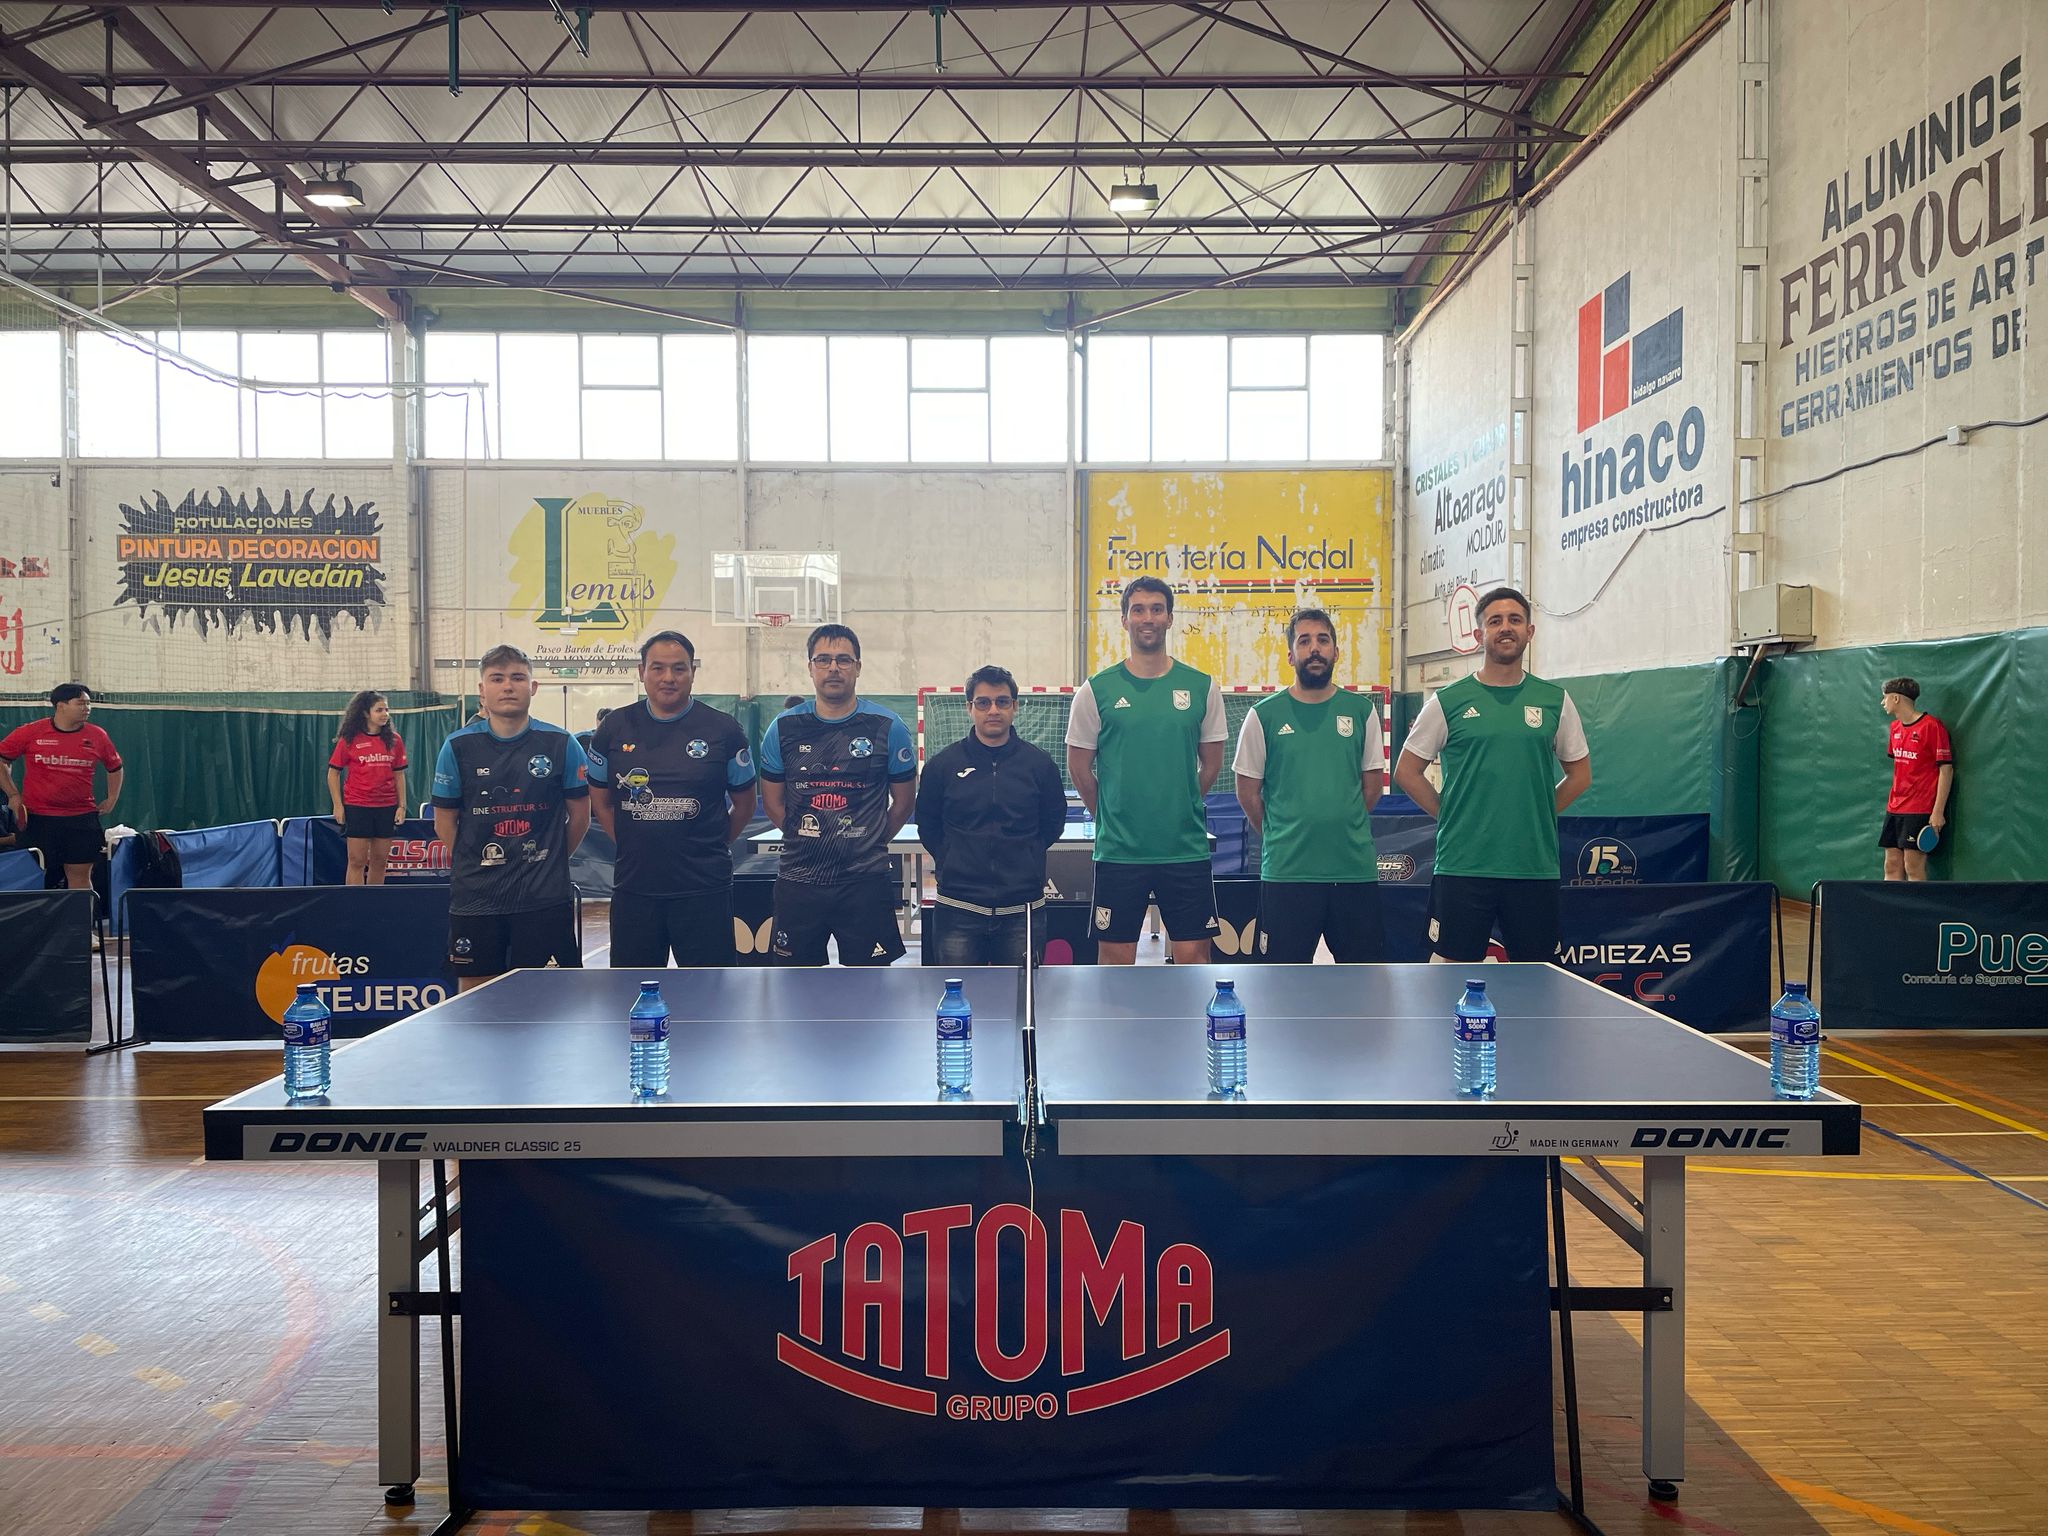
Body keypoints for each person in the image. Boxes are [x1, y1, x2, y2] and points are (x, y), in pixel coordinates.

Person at [1393, 586, 1590, 963]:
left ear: (1529, 631)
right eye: (1495, 621)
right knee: (1451, 973)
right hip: (1462, 866)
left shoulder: (1555, 700)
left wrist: (1537, 813)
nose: (1505, 627)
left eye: (1515, 619)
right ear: (1479, 634)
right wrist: (1450, 815)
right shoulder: (1448, 701)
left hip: (1533, 867)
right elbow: (1407, 771)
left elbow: (1580, 774)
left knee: (1536, 977)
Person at [1066, 576, 1227, 966]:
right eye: (1138, 610)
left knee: (1194, 958)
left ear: (1170, 618)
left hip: (1184, 849)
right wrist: (1110, 813)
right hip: (1120, 851)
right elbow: (1079, 767)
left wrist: (1181, 802)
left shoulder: (1202, 687)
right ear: (1124, 620)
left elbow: (1212, 763)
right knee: (1115, 960)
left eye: (1157, 609)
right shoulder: (1096, 690)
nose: (1148, 617)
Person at [587, 632, 756, 967]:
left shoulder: (724, 730)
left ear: (692, 672)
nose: (668, 677)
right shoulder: (612, 728)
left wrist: (712, 845)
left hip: (705, 890)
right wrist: (632, 843)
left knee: (711, 990)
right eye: (658, 668)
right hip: (635, 889)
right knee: (633, 989)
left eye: (679, 668)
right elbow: (601, 803)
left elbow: (746, 805)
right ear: (641, 672)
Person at [431, 645, 591, 991]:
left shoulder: (561, 743)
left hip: (543, 897)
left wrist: (551, 860)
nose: (507, 686)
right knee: (475, 995)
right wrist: (475, 862)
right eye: (497, 678)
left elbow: (580, 815)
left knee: (551, 998)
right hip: (476, 899)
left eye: (517, 678)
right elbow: (444, 821)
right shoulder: (456, 747)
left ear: (533, 687)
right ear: (482, 690)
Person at [758, 623, 917, 965]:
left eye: (843, 660)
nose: (833, 668)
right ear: (810, 667)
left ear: (857, 667)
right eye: (824, 659)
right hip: (799, 880)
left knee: (872, 985)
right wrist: (808, 837)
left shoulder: (887, 727)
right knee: (796, 985)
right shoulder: (782, 728)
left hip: (865, 882)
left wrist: (870, 839)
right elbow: (771, 802)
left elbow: (904, 802)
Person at [1233, 608, 1386, 962]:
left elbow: (1372, 789)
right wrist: (1281, 834)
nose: (1314, 648)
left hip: (1353, 872)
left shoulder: (1362, 711)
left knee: (1364, 981)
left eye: (1323, 640)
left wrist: (1339, 823)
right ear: (1291, 655)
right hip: (1286, 874)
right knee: (1280, 983)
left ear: (1336, 652)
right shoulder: (1263, 716)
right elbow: (1247, 793)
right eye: (1304, 641)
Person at [916, 664, 1067, 966]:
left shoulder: (1040, 765)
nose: (993, 710)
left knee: (1020, 995)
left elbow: (1052, 824)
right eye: (983, 702)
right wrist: (953, 858)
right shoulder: (942, 766)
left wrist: (1026, 857)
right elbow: (928, 826)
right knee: (960, 994)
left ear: (1015, 706)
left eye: (1002, 701)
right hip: (958, 908)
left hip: (1022, 909)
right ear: (969, 708)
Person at [0, 682, 122, 895]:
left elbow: (115, 767)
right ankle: (36, 917)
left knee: (80, 877)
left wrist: (112, 798)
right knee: (33, 876)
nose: (87, 708)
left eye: (89, 703)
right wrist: (12, 794)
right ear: (61, 706)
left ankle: (80, 918)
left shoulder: (97, 735)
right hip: (38, 819)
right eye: (80, 703)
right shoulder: (31, 732)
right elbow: (2, 760)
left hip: (81, 819)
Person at [327, 690, 407, 885]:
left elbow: (399, 775)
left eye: (386, 710)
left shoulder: (395, 740)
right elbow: (333, 773)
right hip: (358, 806)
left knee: (380, 861)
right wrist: (338, 805)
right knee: (357, 860)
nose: (385, 714)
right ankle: (355, 900)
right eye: (379, 710)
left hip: (386, 806)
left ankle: (374, 899)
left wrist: (402, 806)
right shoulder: (349, 740)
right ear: (365, 713)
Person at [1879, 677, 1954, 881]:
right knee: (1891, 864)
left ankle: (1917, 904)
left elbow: (1946, 770)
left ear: (1896, 698)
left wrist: (1937, 812)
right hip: (1894, 807)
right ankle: (1890, 903)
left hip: (1919, 808)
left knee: (1913, 866)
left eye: (1885, 697)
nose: (1882, 702)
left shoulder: (1932, 727)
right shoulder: (1894, 728)